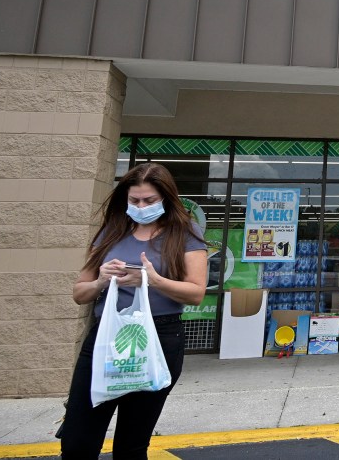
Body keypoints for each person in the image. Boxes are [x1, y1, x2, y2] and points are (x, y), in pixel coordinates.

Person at [61, 162, 208, 459]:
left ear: (166, 198)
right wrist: (102, 280)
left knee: (131, 445)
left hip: (159, 336)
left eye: (149, 201)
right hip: (106, 338)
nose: (141, 206)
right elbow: (80, 292)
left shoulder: (185, 234)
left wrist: (151, 281)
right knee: (78, 441)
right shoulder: (112, 232)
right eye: (135, 200)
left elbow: (196, 292)